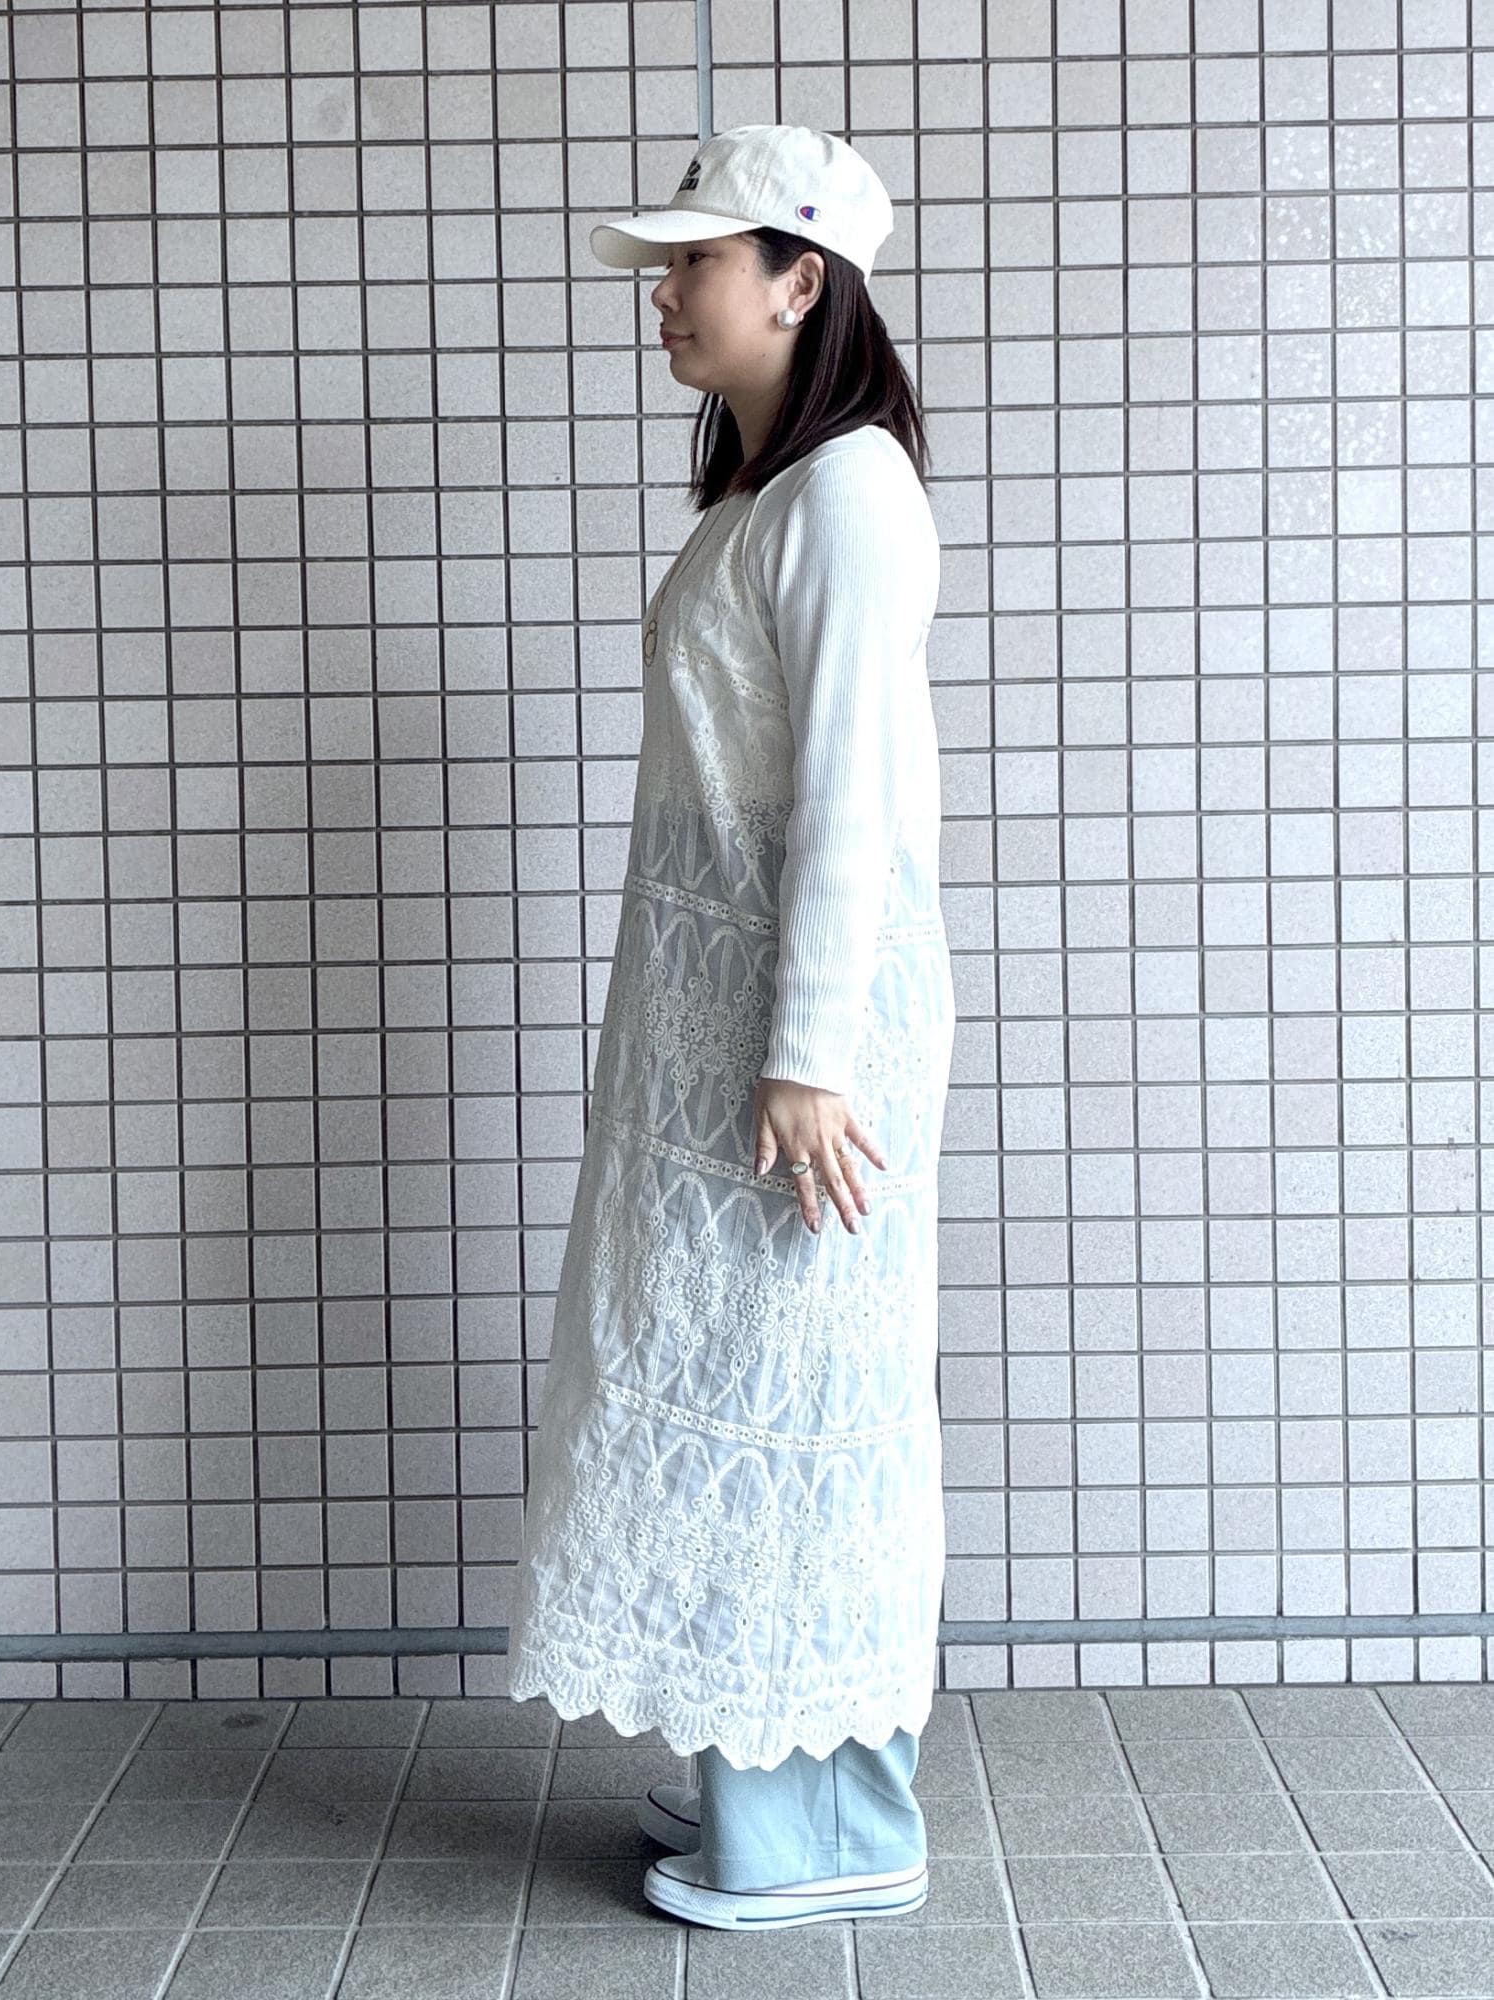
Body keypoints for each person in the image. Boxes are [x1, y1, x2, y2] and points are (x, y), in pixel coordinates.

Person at [503, 123, 954, 1932]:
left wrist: (811, 1052)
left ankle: (833, 1826)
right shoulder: (774, 494)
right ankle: (764, 1771)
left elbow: (855, 794)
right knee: (734, 1370)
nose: (667, 292)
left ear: (801, 280)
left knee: (801, 1389)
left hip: (802, 1033)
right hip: (733, 1018)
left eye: (699, 258)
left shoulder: (850, 492)